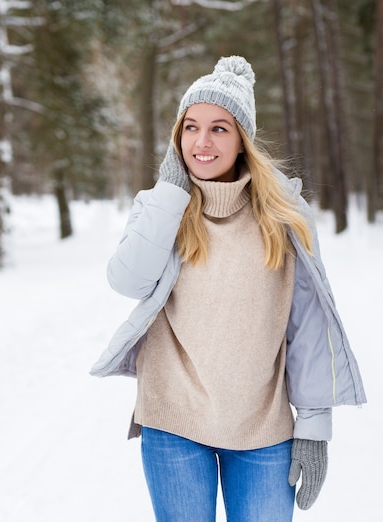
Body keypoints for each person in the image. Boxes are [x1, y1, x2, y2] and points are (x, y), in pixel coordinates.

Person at [90, 56, 366, 521]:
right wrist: (171, 193)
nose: (201, 141)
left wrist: (315, 425)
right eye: (190, 126)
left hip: (262, 427)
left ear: (243, 140)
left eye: (219, 128)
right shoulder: (159, 207)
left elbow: (308, 324)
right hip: (172, 420)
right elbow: (128, 280)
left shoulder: (284, 215)